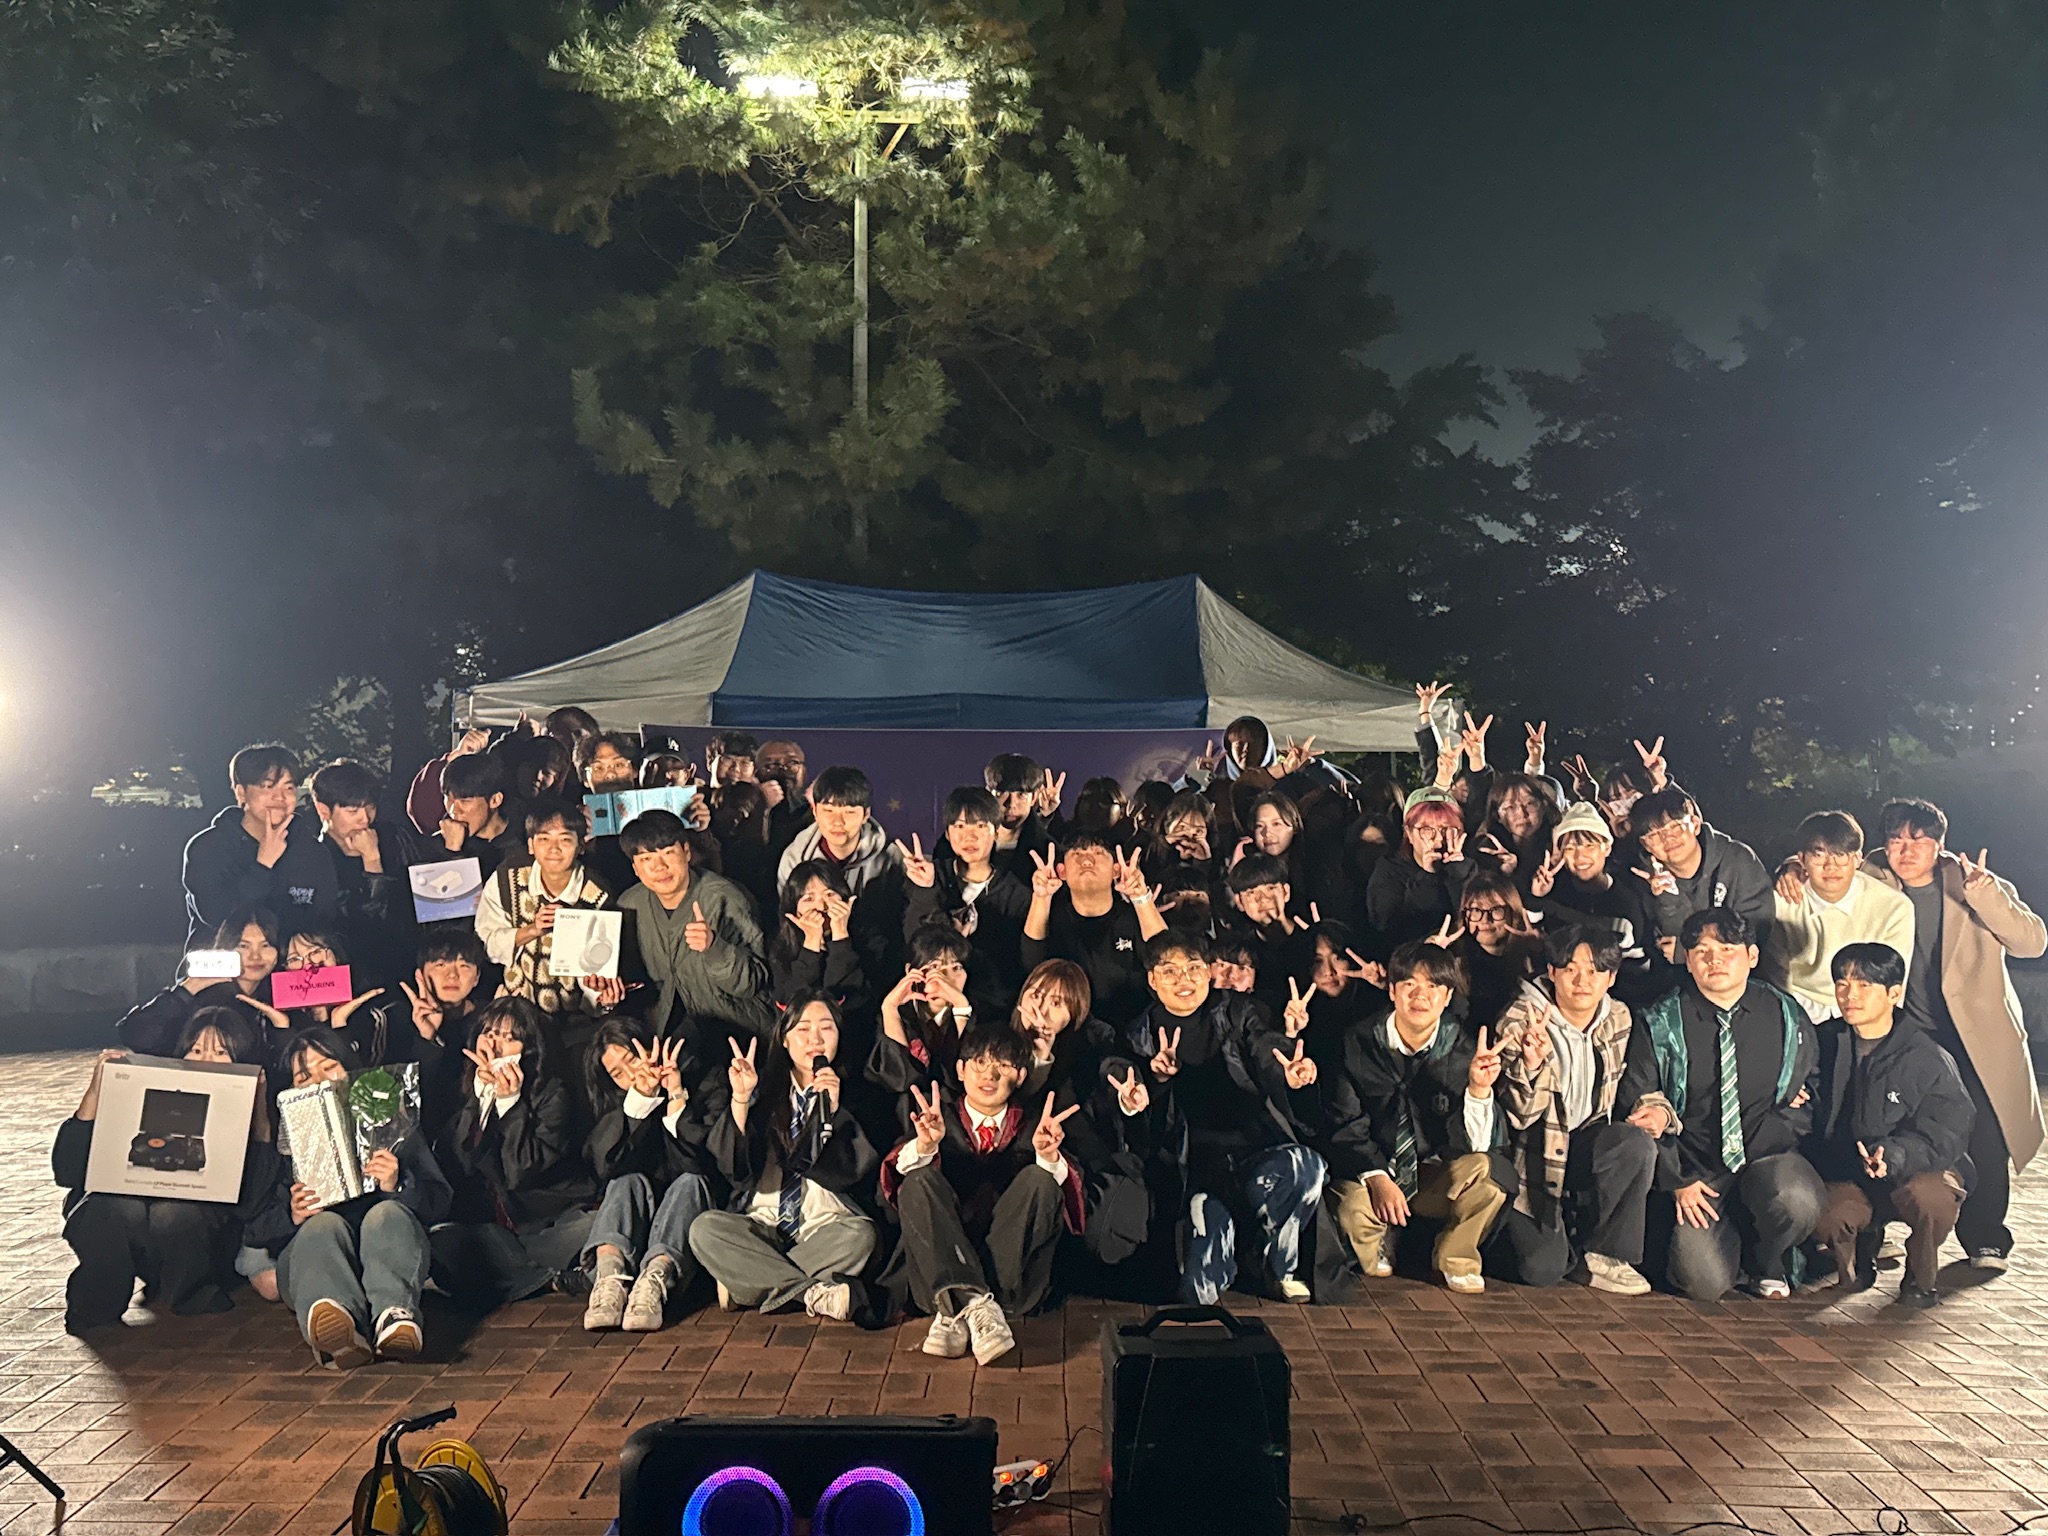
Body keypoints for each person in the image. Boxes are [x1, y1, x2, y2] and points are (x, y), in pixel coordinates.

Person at [1863, 798, 2046, 1271]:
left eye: (1918, 840)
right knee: (1880, 1125)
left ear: (1939, 845)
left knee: (1986, 1135)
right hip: (1905, 1034)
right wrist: (1792, 869)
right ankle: (1876, 1229)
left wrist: (1987, 896)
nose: (1906, 850)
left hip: (1974, 1037)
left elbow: (2032, 943)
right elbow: (1825, 868)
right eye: (1896, 840)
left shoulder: (1972, 882)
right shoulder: (1870, 879)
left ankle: (1986, 1238)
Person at [1617, 908, 1822, 1301]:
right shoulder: (1660, 1021)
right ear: (1687, 959)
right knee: (1703, 1282)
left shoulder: (1785, 1014)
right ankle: (1728, 1247)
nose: (1715, 960)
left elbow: (1811, 1087)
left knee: (1796, 1199)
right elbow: (1638, 1102)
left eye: (1727, 949)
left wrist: (1778, 1130)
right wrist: (1676, 1179)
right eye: (1702, 951)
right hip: (1695, 1170)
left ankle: (1768, 1260)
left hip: (1766, 1158)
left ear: (1752, 956)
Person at [1118, 931, 1324, 1304]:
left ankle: (1277, 1265)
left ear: (1209, 972)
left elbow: (1264, 1046)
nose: (1184, 980)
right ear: (1152, 979)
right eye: (1170, 971)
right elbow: (1145, 1131)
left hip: (1252, 1155)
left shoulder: (1236, 1011)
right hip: (1194, 1173)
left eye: (1193, 968)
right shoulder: (1138, 1036)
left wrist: (1288, 1071)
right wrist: (1158, 1080)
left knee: (1305, 1166)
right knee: (1199, 1293)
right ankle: (1227, 1252)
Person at [244, 1027, 451, 1367]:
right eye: (303, 1076)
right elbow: (254, 1230)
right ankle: (337, 1324)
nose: (318, 1082)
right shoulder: (285, 1144)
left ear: (352, 1071)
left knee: (386, 1214)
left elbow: (440, 1202)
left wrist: (398, 1184)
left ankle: (394, 1317)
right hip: (314, 1262)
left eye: (328, 1067)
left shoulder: (393, 1124)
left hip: (386, 1253)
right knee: (323, 1225)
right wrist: (292, 1215)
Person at [881, 1023, 1085, 1363]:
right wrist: (925, 1147)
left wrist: (1048, 1158)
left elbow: (1068, 1202)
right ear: (961, 1069)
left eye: (1003, 1066)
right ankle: (972, 1303)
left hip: (1010, 1281)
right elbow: (892, 1189)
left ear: (1020, 1076)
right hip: (941, 1268)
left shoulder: (1038, 1126)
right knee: (917, 1179)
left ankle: (957, 1308)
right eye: (979, 1063)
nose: (989, 1076)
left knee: (1041, 1178)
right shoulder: (936, 1119)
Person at [54, 1009, 269, 1334]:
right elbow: (67, 1171)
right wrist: (97, 1092)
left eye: (221, 1052)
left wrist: (258, 1112)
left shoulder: (253, 1104)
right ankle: (96, 1306)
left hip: (198, 1236)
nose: (206, 1060)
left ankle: (191, 1294)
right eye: (196, 1050)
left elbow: (256, 1198)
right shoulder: (146, 1093)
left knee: (174, 1213)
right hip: (127, 1222)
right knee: (115, 1207)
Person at [1322, 942, 1510, 1294]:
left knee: (1489, 1176)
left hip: (1433, 1174)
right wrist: (1377, 1177)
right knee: (1350, 1209)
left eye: (1433, 986)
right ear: (1392, 991)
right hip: (1378, 1171)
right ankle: (1382, 1237)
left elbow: (1479, 1145)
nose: (1420, 996)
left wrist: (1479, 1089)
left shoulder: (1464, 1048)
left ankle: (1455, 1257)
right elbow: (1345, 1123)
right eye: (1409, 984)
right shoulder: (1358, 1041)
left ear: (1447, 996)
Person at [1802, 943, 1974, 1309]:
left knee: (1932, 1199)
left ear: (1894, 994)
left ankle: (1921, 1278)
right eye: (1842, 984)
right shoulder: (1824, 1041)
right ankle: (1856, 1264)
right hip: (1848, 1171)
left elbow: (1948, 1127)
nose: (1850, 995)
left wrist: (1894, 1155)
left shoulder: (1925, 1055)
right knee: (1822, 1213)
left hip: (1915, 1170)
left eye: (1864, 986)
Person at [690, 993, 880, 1319]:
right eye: (803, 1029)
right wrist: (740, 1099)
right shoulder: (763, 1091)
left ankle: (749, 1283)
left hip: (825, 1226)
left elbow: (852, 1172)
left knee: (863, 1236)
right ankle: (812, 1294)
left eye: (826, 1028)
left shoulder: (859, 1093)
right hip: (762, 1226)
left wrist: (833, 1113)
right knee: (704, 1229)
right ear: (785, 1040)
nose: (815, 1039)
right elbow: (732, 1167)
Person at [1491, 928, 1658, 1294]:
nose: (1582, 981)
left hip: (1585, 1144)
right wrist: (1531, 1065)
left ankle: (1606, 1255)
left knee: (1634, 1144)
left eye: (1595, 971)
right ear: (1552, 972)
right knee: (1542, 1269)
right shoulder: (1521, 1018)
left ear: (1611, 978)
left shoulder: (1619, 1016)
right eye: (1570, 969)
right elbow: (1520, 1114)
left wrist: (1656, 1110)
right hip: (1533, 1158)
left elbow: (1635, 1087)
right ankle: (1555, 1244)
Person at [430, 998, 596, 1308]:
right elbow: (459, 1166)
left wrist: (511, 1104)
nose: (495, 1045)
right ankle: (547, 1278)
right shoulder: (464, 1090)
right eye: (489, 1033)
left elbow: (521, 1170)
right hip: (495, 1231)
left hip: (549, 1220)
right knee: (443, 1242)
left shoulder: (553, 1093)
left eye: (509, 1037)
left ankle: (514, 1276)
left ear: (529, 1049)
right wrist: (480, 1101)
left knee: (589, 1227)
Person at [580, 1018, 725, 1331]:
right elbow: (605, 1168)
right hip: (639, 1226)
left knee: (689, 1183)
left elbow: (704, 1166)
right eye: (618, 1073)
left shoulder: (705, 1079)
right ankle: (609, 1280)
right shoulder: (618, 1104)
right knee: (625, 1181)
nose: (632, 1074)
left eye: (632, 1059)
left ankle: (655, 1283)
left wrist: (676, 1097)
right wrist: (639, 1105)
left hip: (688, 1219)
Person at [616, 809, 772, 1046]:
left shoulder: (725, 898)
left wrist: (715, 948)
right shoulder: (630, 904)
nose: (659, 867)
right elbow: (632, 978)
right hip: (667, 1030)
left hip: (737, 1026)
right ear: (635, 868)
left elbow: (753, 981)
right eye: (646, 859)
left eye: (668, 853)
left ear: (687, 852)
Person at [474, 800, 621, 1025]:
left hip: (575, 1019)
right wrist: (532, 930)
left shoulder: (598, 894)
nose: (554, 848)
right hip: (517, 1011)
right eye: (544, 839)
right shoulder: (507, 878)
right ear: (531, 845)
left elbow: (598, 966)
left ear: (581, 846)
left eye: (565, 839)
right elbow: (486, 943)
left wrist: (600, 993)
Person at [182, 744, 340, 947]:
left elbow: (324, 923)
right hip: (225, 963)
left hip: (292, 965)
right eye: (267, 786)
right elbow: (220, 919)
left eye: (289, 787)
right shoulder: (208, 848)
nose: (280, 797)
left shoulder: (311, 851)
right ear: (241, 793)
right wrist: (263, 866)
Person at [1765, 811, 1915, 1024]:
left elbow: (1892, 979)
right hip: (1800, 1003)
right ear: (1802, 859)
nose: (1831, 866)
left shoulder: (1894, 907)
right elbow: (1777, 977)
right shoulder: (1780, 903)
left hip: (1864, 1003)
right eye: (1819, 855)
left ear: (1858, 859)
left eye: (1841, 855)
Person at [1524, 802, 1668, 1009]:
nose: (1579, 856)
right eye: (1570, 848)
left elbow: (1639, 962)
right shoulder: (1555, 891)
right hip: (1562, 999)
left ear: (1606, 848)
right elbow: (1535, 933)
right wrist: (1538, 897)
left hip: (1625, 1000)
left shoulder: (1630, 897)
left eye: (1589, 846)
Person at [1021, 830, 1168, 1027]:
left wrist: (1141, 898)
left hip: (1133, 1029)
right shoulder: (1049, 916)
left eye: (1098, 853)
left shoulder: (1137, 918)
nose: (1087, 861)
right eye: (1077, 854)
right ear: (1061, 871)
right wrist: (1041, 897)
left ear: (1116, 870)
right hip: (1065, 1027)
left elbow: (1166, 957)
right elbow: (1032, 964)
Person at [774, 766, 907, 978]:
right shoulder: (794, 857)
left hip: (874, 959)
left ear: (865, 814)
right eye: (828, 811)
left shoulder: (891, 858)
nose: (838, 822)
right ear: (815, 811)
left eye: (849, 812)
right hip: (810, 955)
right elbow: (788, 921)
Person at [901, 788, 1033, 1000]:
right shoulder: (929, 875)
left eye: (980, 826)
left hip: (990, 1004)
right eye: (960, 826)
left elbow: (1014, 964)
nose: (969, 837)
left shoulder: (1015, 894)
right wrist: (926, 889)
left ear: (996, 832)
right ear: (947, 833)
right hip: (929, 999)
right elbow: (914, 943)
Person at [1630, 789, 1774, 958]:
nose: (1668, 838)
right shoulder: (1644, 880)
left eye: (1675, 827)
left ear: (1695, 824)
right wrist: (1668, 897)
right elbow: (1666, 944)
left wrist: (1689, 953)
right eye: (1654, 835)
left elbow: (1756, 930)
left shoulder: (1737, 859)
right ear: (1645, 845)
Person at [117, 907, 280, 1056]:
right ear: (226, 948)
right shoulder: (201, 999)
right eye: (244, 946)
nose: (255, 956)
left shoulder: (277, 996)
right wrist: (186, 990)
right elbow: (137, 1038)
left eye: (265, 946)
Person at [1367, 789, 1472, 950]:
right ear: (1409, 833)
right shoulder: (1389, 871)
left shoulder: (1468, 868)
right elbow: (1388, 929)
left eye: (1447, 829)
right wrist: (1427, 877)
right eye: (1427, 830)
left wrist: (1457, 873)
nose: (1439, 839)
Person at [1451, 870, 1546, 1035]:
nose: (1485, 920)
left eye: (1496, 910)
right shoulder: (1454, 958)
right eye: (1476, 910)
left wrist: (1541, 951)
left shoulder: (1531, 957)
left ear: (1513, 911)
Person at [767, 860, 868, 1010]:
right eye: (809, 899)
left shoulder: (869, 939)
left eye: (830, 894)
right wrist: (812, 943)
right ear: (794, 908)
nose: (821, 907)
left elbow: (853, 1000)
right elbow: (794, 1007)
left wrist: (840, 936)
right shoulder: (780, 947)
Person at [435, 751, 525, 878]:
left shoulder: (527, 838)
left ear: (495, 800)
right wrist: (452, 851)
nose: (454, 810)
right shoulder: (437, 846)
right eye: (449, 799)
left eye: (465, 801)